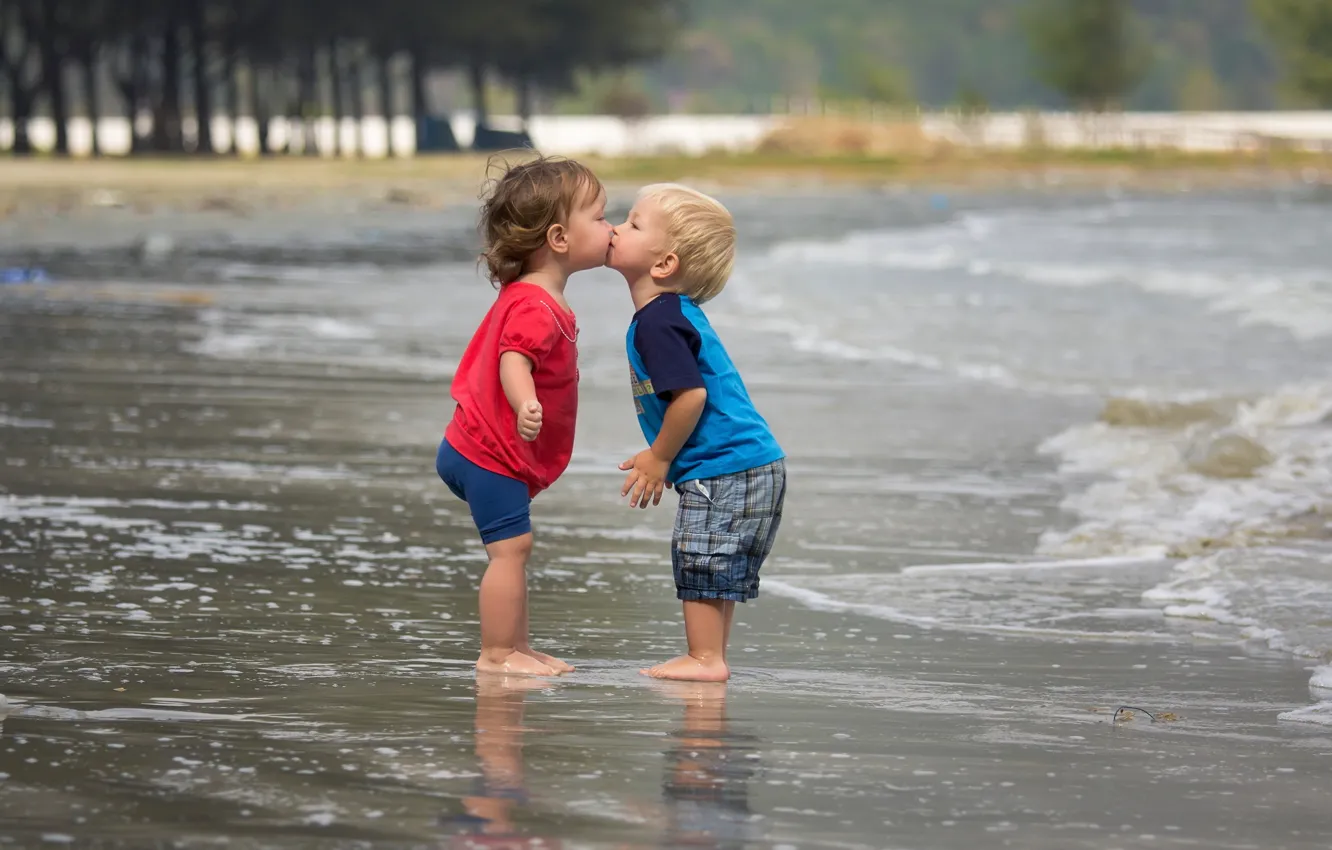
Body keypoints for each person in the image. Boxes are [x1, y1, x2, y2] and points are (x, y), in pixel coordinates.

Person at [437, 154, 612, 676]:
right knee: (510, 551)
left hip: (480, 445)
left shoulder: (537, 295)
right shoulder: (536, 304)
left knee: (514, 549)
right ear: (559, 238)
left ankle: (519, 646)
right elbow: (513, 358)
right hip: (488, 451)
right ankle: (498, 654)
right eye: (601, 217)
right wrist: (525, 402)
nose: (611, 228)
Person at [607, 183, 787, 682]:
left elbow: (691, 397)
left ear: (664, 263)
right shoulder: (672, 314)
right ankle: (712, 656)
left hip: (726, 465)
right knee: (715, 562)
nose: (617, 228)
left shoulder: (657, 322)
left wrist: (659, 457)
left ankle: (705, 659)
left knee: (701, 555)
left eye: (633, 224)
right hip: (750, 463)